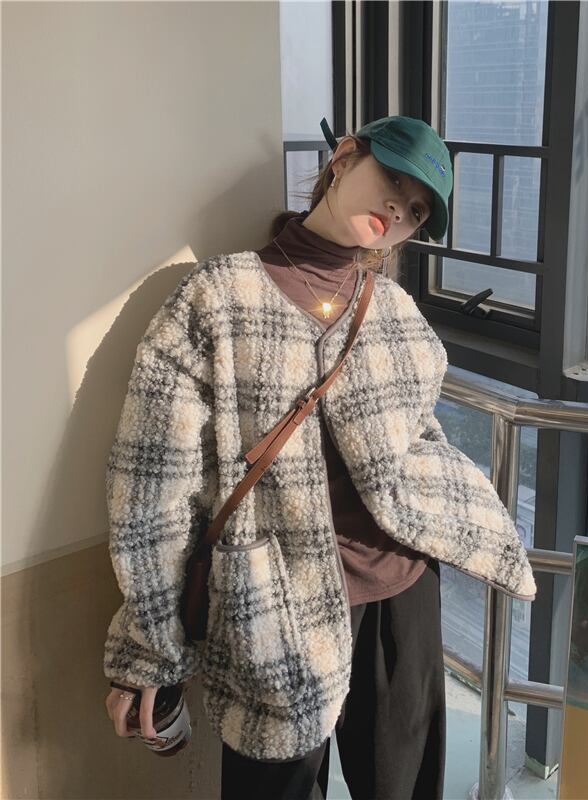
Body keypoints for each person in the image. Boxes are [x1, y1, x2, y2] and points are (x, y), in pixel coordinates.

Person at [102, 114, 537, 800]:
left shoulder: (395, 311)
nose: (399, 209)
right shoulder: (217, 297)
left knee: (404, 789)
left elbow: (416, 435)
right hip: (274, 601)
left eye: (418, 211)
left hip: (402, 594)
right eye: (394, 180)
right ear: (344, 158)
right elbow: (152, 486)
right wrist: (148, 649)